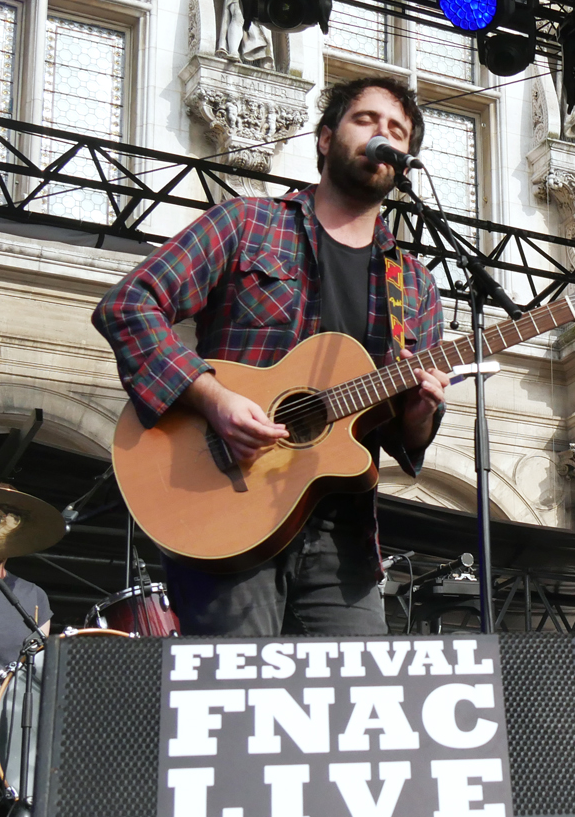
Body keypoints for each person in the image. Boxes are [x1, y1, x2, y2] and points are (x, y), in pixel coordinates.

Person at [93, 76, 451, 638]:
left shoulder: (414, 284)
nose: (382, 135)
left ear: (404, 163)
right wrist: (214, 400)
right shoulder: (248, 224)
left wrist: (420, 412)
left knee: (358, 687)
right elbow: (129, 305)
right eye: (366, 120)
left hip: (343, 536)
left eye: (397, 131)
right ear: (326, 138)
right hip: (224, 506)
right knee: (237, 686)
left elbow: (403, 439)